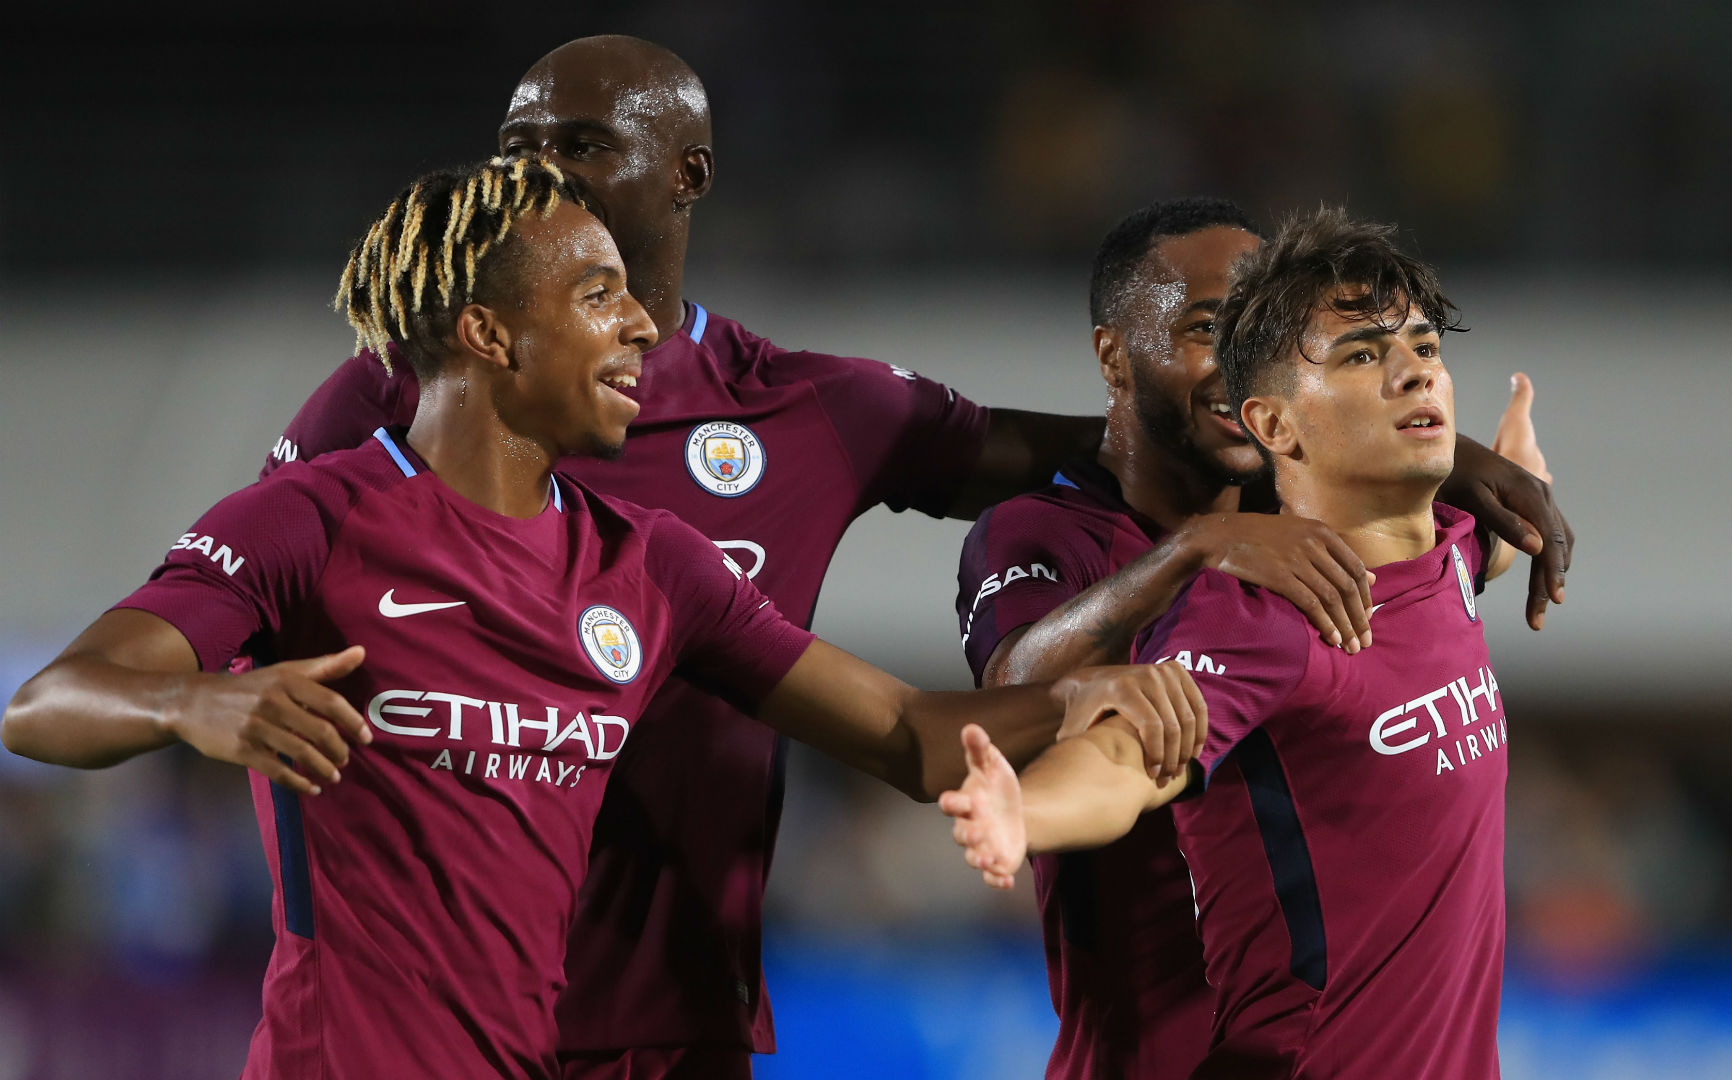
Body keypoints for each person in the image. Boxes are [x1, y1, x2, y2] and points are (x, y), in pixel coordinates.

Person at [264, 36, 1572, 1078]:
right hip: (416, 1013)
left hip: (673, 1013)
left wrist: (1419, 447)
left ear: (689, 175)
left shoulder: (804, 414)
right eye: (521, 147)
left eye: (583, 144)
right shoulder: (393, 395)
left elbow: (1111, 483)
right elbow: (230, 609)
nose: (542, 172)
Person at [0, 157, 1200, 1080]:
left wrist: (1086, 693)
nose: (640, 326)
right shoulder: (314, 517)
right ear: (489, 333)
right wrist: (191, 702)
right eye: (596, 296)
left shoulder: (650, 566)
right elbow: (45, 704)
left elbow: (911, 736)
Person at [955, 197, 1552, 1078]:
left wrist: (1513, 479)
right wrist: (1026, 810)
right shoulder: (1253, 604)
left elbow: (1460, 558)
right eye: (1210, 329)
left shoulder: (1431, 552)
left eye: (1426, 350)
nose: (1416, 373)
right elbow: (1119, 752)